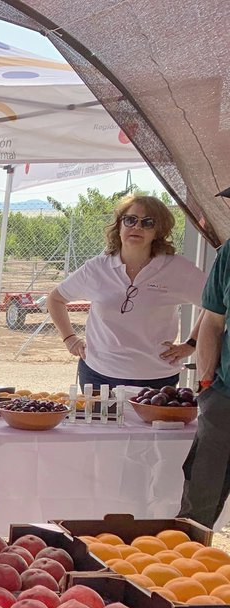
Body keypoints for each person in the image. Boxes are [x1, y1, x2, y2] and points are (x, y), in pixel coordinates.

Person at [46, 193, 207, 391]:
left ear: (158, 231)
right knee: (95, 423)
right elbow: (55, 299)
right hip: (97, 375)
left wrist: (191, 343)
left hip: (155, 378)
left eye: (148, 222)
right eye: (130, 220)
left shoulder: (177, 269)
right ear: (119, 226)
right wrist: (70, 339)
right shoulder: (97, 268)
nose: (137, 227)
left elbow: (217, 304)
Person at [179, 186, 230, 527]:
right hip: (225, 398)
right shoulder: (229, 254)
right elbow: (212, 321)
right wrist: (207, 383)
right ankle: (179, 574)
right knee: (197, 507)